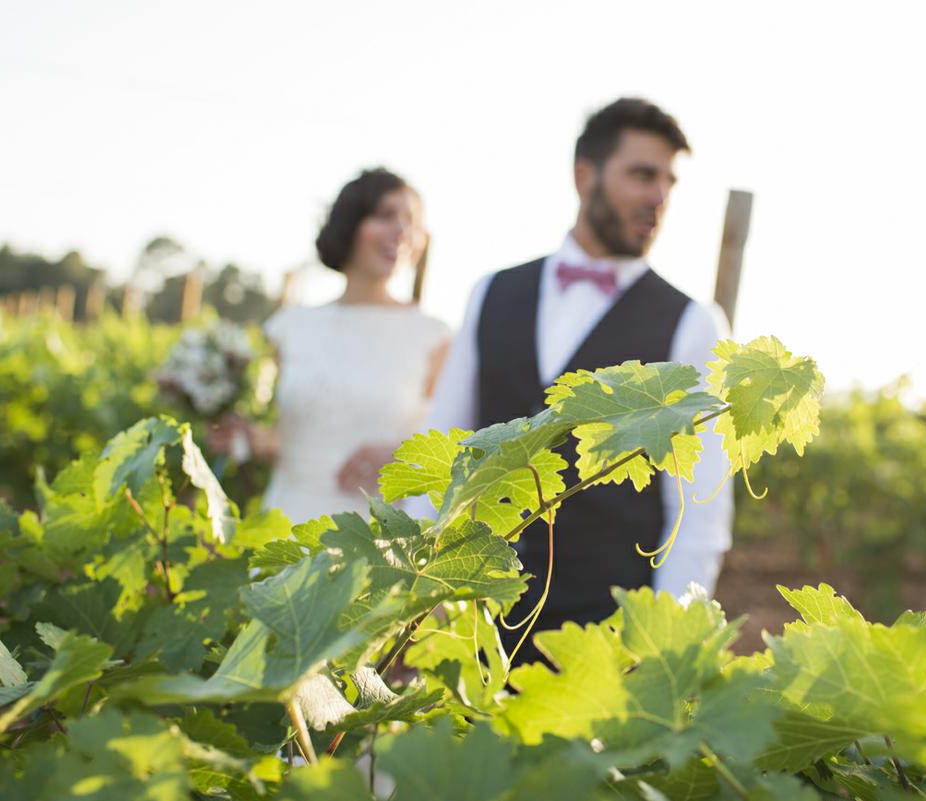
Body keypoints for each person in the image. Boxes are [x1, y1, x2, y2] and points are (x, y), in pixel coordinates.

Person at [420, 98, 733, 652]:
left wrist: (657, 648)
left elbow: (697, 515)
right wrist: (411, 606)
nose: (658, 197)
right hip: (471, 627)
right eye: (641, 175)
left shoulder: (691, 323)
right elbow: (443, 453)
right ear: (584, 175)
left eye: (668, 182)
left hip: (603, 639)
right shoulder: (491, 292)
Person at [210, 168, 450, 523]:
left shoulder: (434, 338)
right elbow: (287, 440)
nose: (402, 231)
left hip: (375, 541)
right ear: (351, 224)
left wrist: (404, 459)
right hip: (285, 524)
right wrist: (245, 440)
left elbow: (454, 447)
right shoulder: (289, 327)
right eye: (386, 216)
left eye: (412, 222)